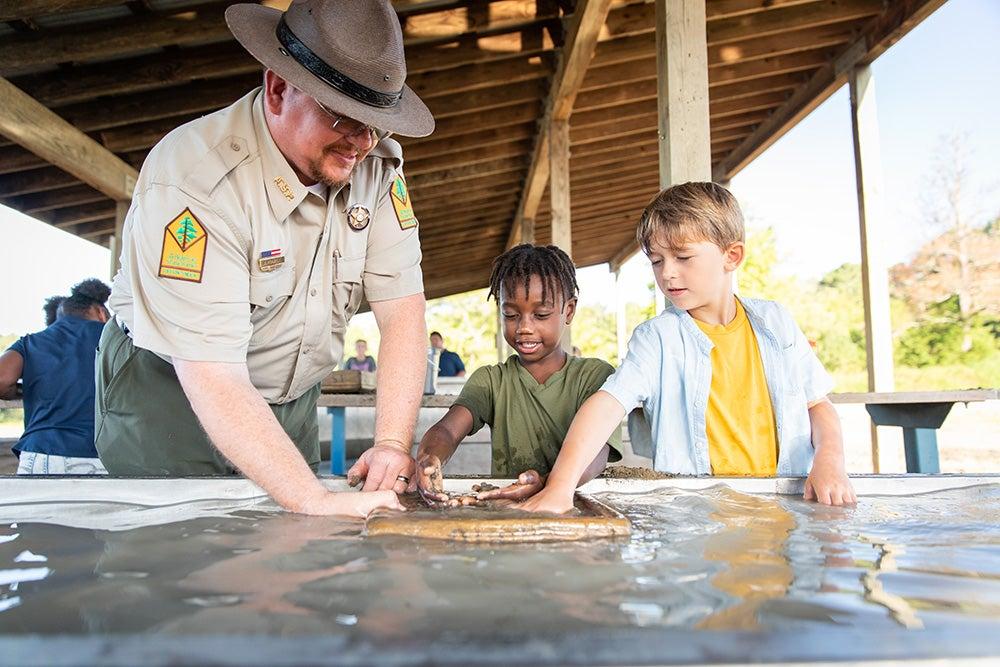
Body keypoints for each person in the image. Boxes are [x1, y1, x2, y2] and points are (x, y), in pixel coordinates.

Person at [95, 0, 436, 517]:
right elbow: (212, 373)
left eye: (376, 123)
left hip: (288, 395)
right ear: (279, 88)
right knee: (168, 562)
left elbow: (403, 310)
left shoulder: (376, 164)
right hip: (172, 391)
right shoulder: (195, 181)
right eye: (345, 117)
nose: (363, 143)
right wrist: (311, 497)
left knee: (286, 554)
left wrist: (391, 441)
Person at [523, 182, 856, 513]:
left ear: (732, 256)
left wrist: (829, 461)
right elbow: (607, 405)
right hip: (697, 519)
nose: (668, 273)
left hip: (785, 509)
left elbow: (818, 405)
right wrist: (560, 488)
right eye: (656, 261)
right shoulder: (657, 339)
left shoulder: (776, 322)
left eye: (683, 257)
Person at [415, 245, 622, 504]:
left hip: (579, 508)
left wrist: (547, 484)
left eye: (541, 314)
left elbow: (596, 455)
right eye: (510, 315)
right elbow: (447, 430)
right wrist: (429, 457)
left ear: (568, 311)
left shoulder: (593, 377)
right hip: (508, 511)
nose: (524, 327)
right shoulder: (491, 381)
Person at [0, 279, 111, 474]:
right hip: (102, 455)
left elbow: (2, 379)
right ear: (101, 313)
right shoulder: (114, 340)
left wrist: (22, 390)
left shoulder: (31, 342)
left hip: (40, 453)